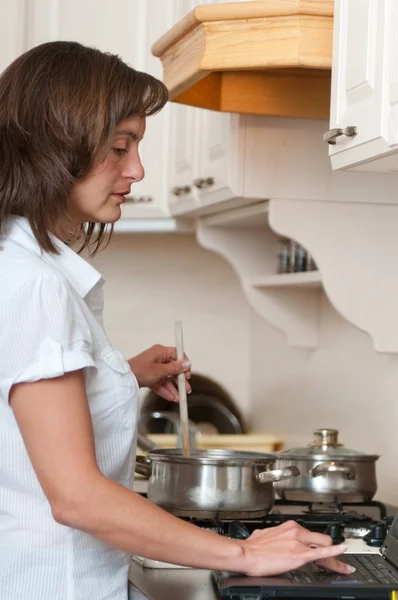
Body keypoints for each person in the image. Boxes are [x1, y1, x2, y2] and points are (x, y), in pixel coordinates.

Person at [0, 41, 355, 600]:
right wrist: (244, 551)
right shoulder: (35, 284)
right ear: (55, 144)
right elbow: (76, 496)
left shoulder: (16, 262)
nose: (137, 170)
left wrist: (121, 372)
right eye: (121, 146)